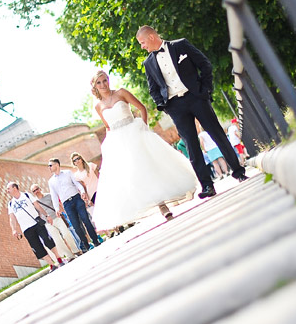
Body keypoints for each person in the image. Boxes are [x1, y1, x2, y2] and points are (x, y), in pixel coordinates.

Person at [136, 25, 247, 198]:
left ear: (151, 37)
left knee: (217, 133)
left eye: (142, 42)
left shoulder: (181, 45)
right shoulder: (148, 63)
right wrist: (164, 106)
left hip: (197, 97)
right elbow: (153, 89)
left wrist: (205, 90)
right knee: (191, 146)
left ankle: (238, 171)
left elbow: (204, 64)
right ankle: (207, 186)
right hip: (175, 106)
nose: (142, 46)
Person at [90, 70, 197, 230]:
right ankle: (143, 205)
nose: (103, 84)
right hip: (118, 141)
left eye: (105, 80)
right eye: (99, 82)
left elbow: (141, 108)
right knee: (132, 174)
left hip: (134, 133)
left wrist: (143, 127)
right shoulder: (98, 106)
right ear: (95, 86)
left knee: (148, 168)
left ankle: (163, 206)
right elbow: (107, 126)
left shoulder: (121, 93)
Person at [6, 182, 65, 269]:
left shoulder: (26, 195)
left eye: (8, 188)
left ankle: (59, 259)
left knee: (47, 240)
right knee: (37, 248)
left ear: (15, 188)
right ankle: (52, 265)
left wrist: (47, 215)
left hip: (36, 222)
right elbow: (12, 218)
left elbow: (37, 206)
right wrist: (14, 229)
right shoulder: (11, 204)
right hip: (26, 229)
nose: (7, 191)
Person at [48, 158, 101, 251]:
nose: (49, 167)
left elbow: (77, 184)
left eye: (50, 165)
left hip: (77, 199)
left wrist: (82, 191)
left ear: (57, 165)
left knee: (86, 220)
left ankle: (95, 240)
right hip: (67, 204)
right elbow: (54, 196)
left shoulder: (68, 173)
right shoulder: (51, 181)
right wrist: (56, 208)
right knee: (76, 225)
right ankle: (87, 245)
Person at [30, 183, 81, 257]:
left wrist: (64, 212)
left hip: (57, 218)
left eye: (37, 189)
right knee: (57, 240)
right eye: (34, 191)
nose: (36, 191)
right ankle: (69, 255)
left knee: (66, 234)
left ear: (40, 189)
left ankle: (76, 250)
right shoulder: (35, 203)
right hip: (48, 223)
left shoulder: (49, 195)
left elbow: (58, 204)